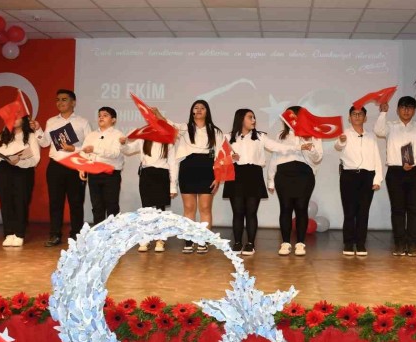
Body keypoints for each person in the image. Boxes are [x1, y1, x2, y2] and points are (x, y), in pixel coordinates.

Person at [224, 109, 307, 256]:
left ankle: (250, 244)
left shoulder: (260, 136)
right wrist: (231, 158)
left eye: (254, 117)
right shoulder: (227, 137)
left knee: (251, 212)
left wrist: (298, 147)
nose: (254, 120)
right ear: (241, 119)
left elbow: (277, 147)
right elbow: (218, 159)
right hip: (235, 175)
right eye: (250, 117)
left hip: (254, 175)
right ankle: (237, 243)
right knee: (237, 212)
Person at [374, 96, 416, 257]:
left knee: (415, 209)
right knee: (398, 209)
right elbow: (378, 131)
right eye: (403, 107)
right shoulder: (390, 126)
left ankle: (413, 243)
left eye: (409, 108)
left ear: (414, 111)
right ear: (397, 109)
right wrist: (383, 113)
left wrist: (412, 162)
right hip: (396, 171)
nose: (406, 110)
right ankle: (399, 243)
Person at [31, 89, 92, 247]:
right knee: (55, 202)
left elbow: (90, 147)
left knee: (76, 202)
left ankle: (77, 235)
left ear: (73, 102)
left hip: (75, 165)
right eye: (57, 99)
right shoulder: (51, 121)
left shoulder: (83, 122)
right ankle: (55, 234)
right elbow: (45, 143)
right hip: (56, 166)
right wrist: (37, 129)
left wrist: (74, 149)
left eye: (64, 99)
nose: (60, 102)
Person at [161, 100, 224, 254]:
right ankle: (188, 240)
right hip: (187, 169)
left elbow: (221, 155)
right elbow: (168, 124)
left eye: (202, 108)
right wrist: (157, 114)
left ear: (207, 112)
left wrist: (218, 176)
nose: (199, 110)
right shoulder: (184, 128)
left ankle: (203, 240)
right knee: (189, 208)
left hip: (207, 170)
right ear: (192, 111)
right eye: (196, 108)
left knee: (205, 208)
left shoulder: (215, 131)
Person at [268, 106, 323, 257]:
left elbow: (318, 158)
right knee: (285, 208)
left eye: (296, 116)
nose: (293, 119)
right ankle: (285, 243)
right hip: (283, 174)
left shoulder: (313, 134)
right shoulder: (281, 135)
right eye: (290, 116)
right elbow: (275, 157)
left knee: (301, 208)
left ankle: (300, 243)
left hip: (304, 175)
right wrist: (271, 180)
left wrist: (309, 146)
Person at [335, 105, 383, 256]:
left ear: (365, 118)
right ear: (349, 118)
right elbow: (338, 146)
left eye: (360, 114)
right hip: (349, 176)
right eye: (354, 114)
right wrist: (341, 141)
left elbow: (377, 158)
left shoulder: (371, 136)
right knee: (349, 211)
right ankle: (348, 243)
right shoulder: (344, 134)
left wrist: (377, 179)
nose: (357, 116)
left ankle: (361, 243)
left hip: (367, 176)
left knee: (363, 211)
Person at [120, 133, 177, 253]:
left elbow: (173, 164)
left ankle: (160, 238)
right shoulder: (143, 139)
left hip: (162, 174)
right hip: (146, 174)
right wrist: (123, 144)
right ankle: (146, 237)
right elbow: (129, 150)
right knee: (146, 208)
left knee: (160, 208)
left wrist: (173, 186)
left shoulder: (168, 142)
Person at [0, 116, 40, 247]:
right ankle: (9, 233)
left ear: (23, 120)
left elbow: (35, 159)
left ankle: (19, 234)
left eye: (17, 117)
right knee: (5, 201)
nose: (13, 119)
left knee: (20, 201)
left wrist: (19, 161)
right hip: (4, 170)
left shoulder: (30, 136)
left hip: (22, 171)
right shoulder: (4, 135)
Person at [80, 107, 123, 226]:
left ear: (113, 120)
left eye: (105, 115)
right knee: (97, 206)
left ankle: (113, 233)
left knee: (112, 206)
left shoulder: (118, 135)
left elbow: (115, 153)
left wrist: (95, 149)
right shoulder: (91, 135)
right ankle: (98, 232)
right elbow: (83, 152)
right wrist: (82, 167)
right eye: (99, 115)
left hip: (110, 174)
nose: (101, 117)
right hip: (93, 173)